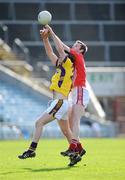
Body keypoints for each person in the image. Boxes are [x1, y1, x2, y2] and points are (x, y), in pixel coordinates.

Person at [18, 27, 81, 166]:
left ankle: (31, 150)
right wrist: (45, 39)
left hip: (60, 102)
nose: (61, 56)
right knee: (66, 131)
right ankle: (76, 154)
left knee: (38, 123)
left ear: (67, 58)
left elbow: (59, 49)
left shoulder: (69, 63)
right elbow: (50, 52)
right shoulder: (64, 65)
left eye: (64, 55)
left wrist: (51, 33)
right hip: (61, 102)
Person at [45, 25, 90, 166]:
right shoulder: (75, 60)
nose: (74, 46)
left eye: (76, 45)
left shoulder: (78, 55)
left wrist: (51, 32)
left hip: (80, 90)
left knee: (75, 120)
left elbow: (61, 46)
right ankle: (79, 148)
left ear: (81, 50)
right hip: (76, 92)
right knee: (71, 121)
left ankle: (73, 147)